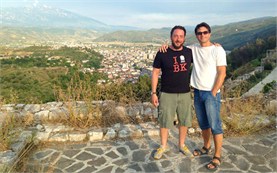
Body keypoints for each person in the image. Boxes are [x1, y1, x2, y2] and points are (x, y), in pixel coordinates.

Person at [160, 22, 227, 170]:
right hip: (197, 91)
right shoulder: (192, 49)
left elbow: (222, 72)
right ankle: (206, 146)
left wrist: (214, 91)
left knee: (215, 125)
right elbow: (176, 47)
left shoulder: (218, 50)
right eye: (199, 33)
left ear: (209, 33)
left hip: (211, 93)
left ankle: (217, 156)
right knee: (203, 124)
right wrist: (164, 46)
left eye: (205, 32)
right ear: (196, 35)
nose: (202, 35)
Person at [151, 25, 194, 160]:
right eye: (175, 36)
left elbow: (205, 53)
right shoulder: (162, 53)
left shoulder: (189, 52)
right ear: (171, 37)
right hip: (167, 93)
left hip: (185, 93)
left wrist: (214, 45)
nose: (178, 39)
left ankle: (181, 144)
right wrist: (153, 93)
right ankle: (163, 146)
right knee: (165, 121)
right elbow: (155, 72)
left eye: (181, 36)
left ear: (184, 38)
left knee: (184, 121)